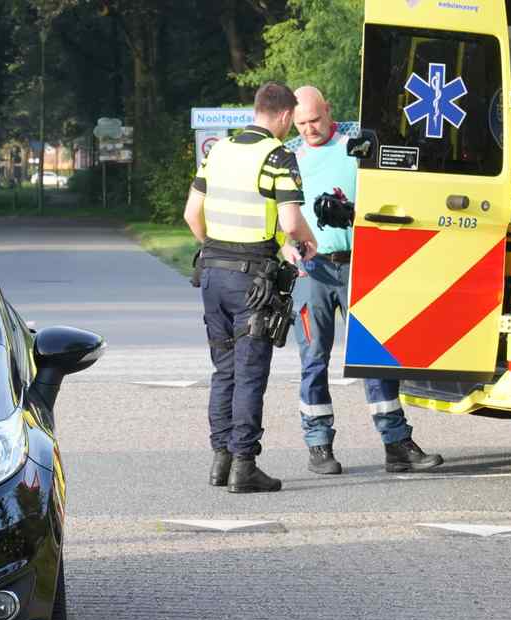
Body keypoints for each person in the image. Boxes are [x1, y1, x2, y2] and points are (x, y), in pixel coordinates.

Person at [290, 86, 443, 475]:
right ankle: (318, 445)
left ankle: (396, 443)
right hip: (313, 269)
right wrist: (285, 246)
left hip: (363, 264)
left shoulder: (359, 142)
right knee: (314, 359)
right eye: (302, 123)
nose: (310, 129)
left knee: (376, 357)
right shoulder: (289, 154)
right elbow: (274, 207)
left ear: (329, 110)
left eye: (316, 120)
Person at [183, 82, 318, 493]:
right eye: (290, 121)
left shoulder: (219, 151)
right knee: (249, 372)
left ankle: (219, 461)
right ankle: (244, 465)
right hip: (252, 280)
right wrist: (306, 242)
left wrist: (216, 249)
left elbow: (192, 214)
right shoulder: (278, 155)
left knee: (223, 370)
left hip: (211, 273)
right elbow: (292, 222)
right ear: (281, 116)